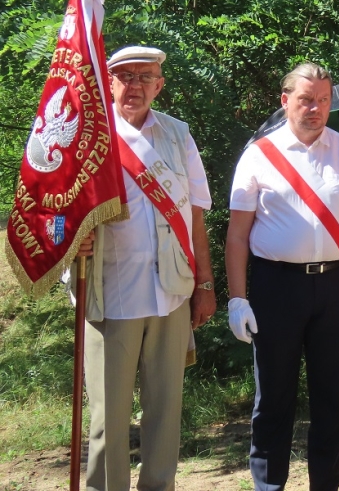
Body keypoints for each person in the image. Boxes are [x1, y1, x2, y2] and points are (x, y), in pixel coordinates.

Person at [225, 62, 339, 491]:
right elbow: (237, 235)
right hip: (276, 287)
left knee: (332, 397)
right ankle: (268, 485)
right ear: (285, 100)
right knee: (273, 397)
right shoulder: (259, 154)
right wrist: (237, 298)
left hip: (335, 288)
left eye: (324, 100)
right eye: (306, 99)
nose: (316, 108)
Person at [77, 45, 216, 491]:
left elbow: (195, 214)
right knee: (108, 418)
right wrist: (73, 239)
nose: (135, 85)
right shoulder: (86, 136)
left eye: (145, 77)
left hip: (171, 292)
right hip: (109, 292)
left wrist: (205, 284)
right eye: (125, 76)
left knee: (165, 411)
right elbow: (54, 212)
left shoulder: (178, 134)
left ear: (159, 85)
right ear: (109, 82)